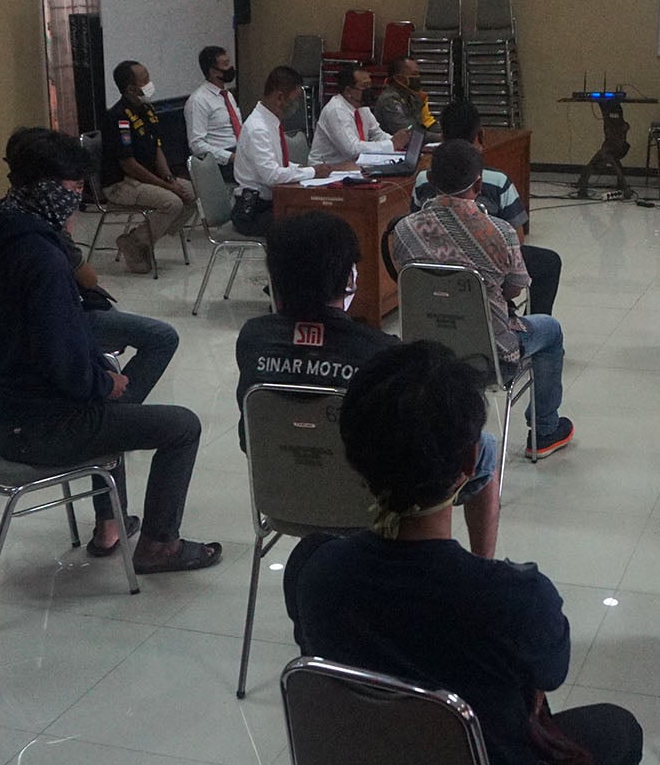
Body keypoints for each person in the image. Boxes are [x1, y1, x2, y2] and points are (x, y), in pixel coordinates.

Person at [284, 341, 642, 765]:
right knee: (620, 733)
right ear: (466, 468)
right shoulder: (511, 600)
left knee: (413, 729)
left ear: (358, 462)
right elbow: (551, 670)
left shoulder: (315, 572)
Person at [0, 128, 220, 573]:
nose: (76, 199)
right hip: (43, 426)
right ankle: (160, 545)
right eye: (72, 189)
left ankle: (111, 504)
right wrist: (101, 381)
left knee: (121, 393)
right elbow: (64, 364)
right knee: (182, 426)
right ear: (47, 188)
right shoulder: (41, 258)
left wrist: (9, 345)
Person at [236, 213, 501, 557]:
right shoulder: (380, 352)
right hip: (368, 504)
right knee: (485, 446)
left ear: (276, 276)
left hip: (279, 497)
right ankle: (481, 565)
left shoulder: (253, 338)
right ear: (349, 277)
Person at [389, 140, 573, 458]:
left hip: (426, 350)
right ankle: (544, 429)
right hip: (491, 354)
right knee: (550, 329)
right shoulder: (499, 231)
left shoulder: (404, 230)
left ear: (430, 181)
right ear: (478, 183)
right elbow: (516, 288)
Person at [414, 99, 562, 316]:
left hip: (435, 267)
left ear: (442, 137)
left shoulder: (421, 180)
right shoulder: (497, 180)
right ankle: (533, 323)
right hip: (486, 273)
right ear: (479, 136)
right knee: (549, 262)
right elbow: (516, 242)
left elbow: (415, 222)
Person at [231, 67, 356, 237]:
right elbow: (272, 176)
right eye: (295, 98)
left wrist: (313, 170)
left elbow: (280, 164)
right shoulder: (257, 128)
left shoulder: (270, 122)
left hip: (272, 203)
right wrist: (312, 171)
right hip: (254, 211)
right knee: (311, 227)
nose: (297, 105)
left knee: (324, 215)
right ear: (280, 97)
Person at [99, 60, 197, 276]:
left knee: (192, 195)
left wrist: (170, 178)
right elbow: (129, 164)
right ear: (131, 88)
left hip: (149, 178)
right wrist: (167, 187)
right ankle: (138, 242)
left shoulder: (147, 109)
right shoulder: (118, 117)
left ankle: (139, 240)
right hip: (122, 183)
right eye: (144, 79)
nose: (149, 82)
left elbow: (157, 148)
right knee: (172, 202)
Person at [309, 64, 407, 165]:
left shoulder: (362, 107)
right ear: (348, 91)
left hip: (353, 165)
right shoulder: (336, 110)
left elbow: (377, 134)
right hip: (327, 169)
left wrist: (400, 141)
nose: (369, 90)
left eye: (370, 85)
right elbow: (352, 149)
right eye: (364, 86)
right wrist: (391, 144)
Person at [184, 44, 244, 170]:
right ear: (213, 71)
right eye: (226, 64)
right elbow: (197, 145)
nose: (231, 68)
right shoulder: (198, 100)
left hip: (241, 152)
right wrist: (231, 157)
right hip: (222, 161)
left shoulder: (228, 95)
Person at [371, 55, 435, 139]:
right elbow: (408, 133)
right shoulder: (389, 99)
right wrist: (439, 137)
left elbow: (423, 125)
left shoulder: (412, 97)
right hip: (391, 149)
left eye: (418, 74)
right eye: (414, 74)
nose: (418, 77)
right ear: (399, 78)